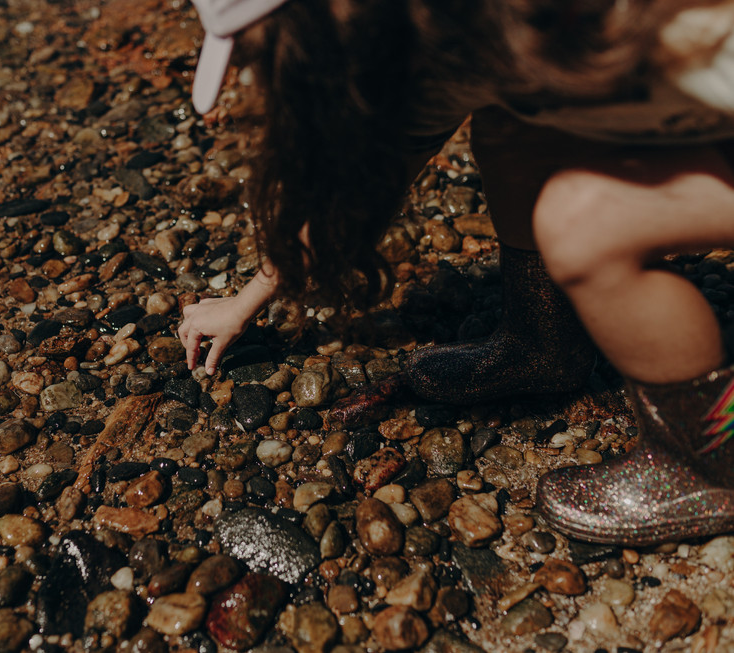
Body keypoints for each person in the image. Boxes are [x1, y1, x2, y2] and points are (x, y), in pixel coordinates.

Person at [176, 0, 734, 546]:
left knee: (584, 223)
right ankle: (542, 345)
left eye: (275, 52)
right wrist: (246, 299)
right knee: (514, 127)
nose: (263, 77)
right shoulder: (439, 34)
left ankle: (709, 466)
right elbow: (361, 185)